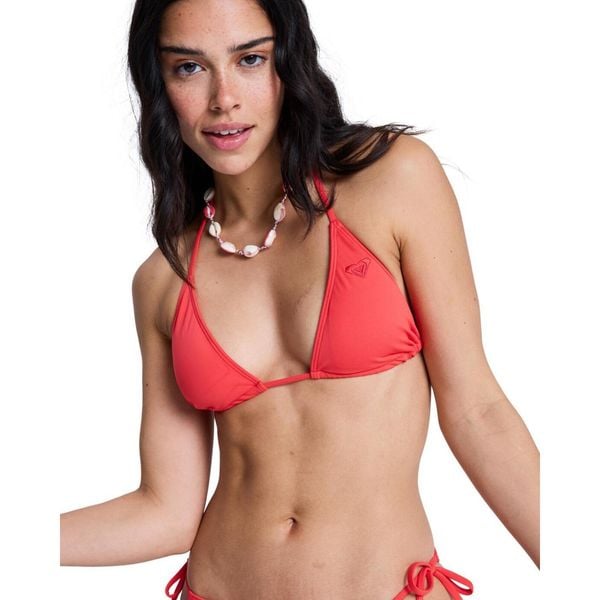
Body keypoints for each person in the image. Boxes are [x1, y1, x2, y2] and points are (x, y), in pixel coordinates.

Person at [60, 0, 540, 598]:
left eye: (250, 59)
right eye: (189, 67)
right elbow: (167, 511)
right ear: (158, 86)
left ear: (289, 60)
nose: (224, 99)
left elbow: (478, 414)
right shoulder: (163, 280)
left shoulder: (392, 183)